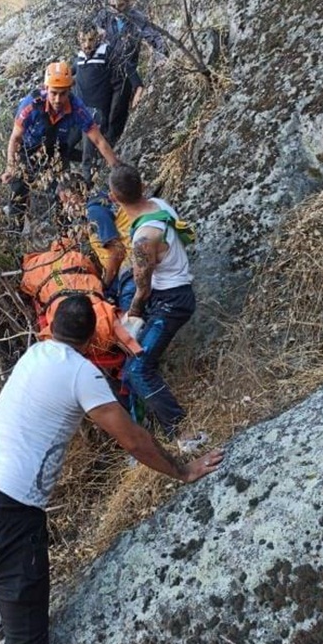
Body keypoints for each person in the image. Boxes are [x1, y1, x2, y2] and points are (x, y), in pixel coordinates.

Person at [0, 293, 224, 644]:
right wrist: (182, 471)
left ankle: (11, 611)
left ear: (51, 325)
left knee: (13, 594)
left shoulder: (36, 353)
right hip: (10, 508)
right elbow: (134, 439)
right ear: (92, 336)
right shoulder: (81, 373)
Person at [108, 163, 197, 447]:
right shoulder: (158, 205)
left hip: (171, 302)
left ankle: (182, 433)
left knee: (137, 369)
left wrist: (133, 313)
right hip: (173, 292)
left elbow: (142, 287)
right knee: (139, 361)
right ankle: (154, 422)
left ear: (114, 199)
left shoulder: (143, 239)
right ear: (142, 186)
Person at [1, 61, 120, 224]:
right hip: (27, 150)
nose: (58, 99)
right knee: (18, 194)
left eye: (63, 94)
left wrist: (117, 167)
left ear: (70, 90)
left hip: (57, 151)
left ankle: (65, 235)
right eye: (54, 93)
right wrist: (11, 166)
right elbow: (15, 138)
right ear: (46, 88)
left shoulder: (77, 108)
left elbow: (98, 140)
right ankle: (14, 233)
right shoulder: (31, 105)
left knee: (63, 193)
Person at [73, 23, 142, 183]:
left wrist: (138, 86)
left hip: (97, 111)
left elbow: (127, 65)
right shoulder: (79, 58)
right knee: (66, 145)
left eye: (90, 40)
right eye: (83, 40)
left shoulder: (106, 52)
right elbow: (69, 72)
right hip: (80, 110)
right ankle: (95, 163)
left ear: (97, 38)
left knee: (88, 150)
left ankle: (89, 182)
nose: (87, 44)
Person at [96, 0, 167, 144]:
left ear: (127, 4)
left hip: (126, 69)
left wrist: (161, 57)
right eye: (114, 6)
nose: (117, 10)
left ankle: (112, 141)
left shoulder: (136, 18)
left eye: (121, 5)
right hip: (105, 68)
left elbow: (155, 38)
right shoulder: (105, 16)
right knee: (101, 108)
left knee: (117, 109)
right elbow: (94, 31)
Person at [86, 189, 136, 311]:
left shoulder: (94, 211)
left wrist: (105, 283)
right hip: (133, 260)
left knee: (128, 320)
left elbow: (117, 251)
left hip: (128, 267)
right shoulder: (108, 202)